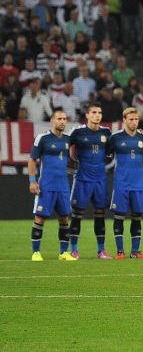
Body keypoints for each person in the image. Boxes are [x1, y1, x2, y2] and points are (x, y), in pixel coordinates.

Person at [68, 104, 112, 259]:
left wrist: (108, 159)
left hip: (100, 178)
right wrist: (71, 161)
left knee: (100, 213)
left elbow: (111, 151)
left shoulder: (106, 132)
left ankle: (101, 251)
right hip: (82, 178)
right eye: (94, 112)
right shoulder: (78, 132)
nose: (97, 115)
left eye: (100, 112)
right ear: (87, 115)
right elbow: (65, 145)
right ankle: (74, 250)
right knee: (77, 214)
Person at [28, 110, 73, 261]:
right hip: (46, 186)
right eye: (59, 118)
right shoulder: (43, 138)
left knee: (64, 219)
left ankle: (63, 253)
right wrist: (32, 181)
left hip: (63, 186)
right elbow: (32, 160)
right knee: (40, 218)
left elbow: (71, 160)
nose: (62, 121)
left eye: (64, 119)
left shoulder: (68, 139)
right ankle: (36, 253)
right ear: (52, 121)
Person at [107, 108, 143, 259]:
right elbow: (106, 156)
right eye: (131, 119)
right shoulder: (115, 137)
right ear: (124, 119)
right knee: (119, 216)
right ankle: (120, 252)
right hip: (121, 183)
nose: (134, 122)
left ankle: (135, 251)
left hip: (138, 183)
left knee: (137, 216)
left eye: (136, 119)